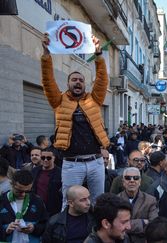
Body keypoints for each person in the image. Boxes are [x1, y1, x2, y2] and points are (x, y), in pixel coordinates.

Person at [41, 34, 109, 206]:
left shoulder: (94, 99)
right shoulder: (58, 100)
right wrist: (46, 55)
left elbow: (102, 81)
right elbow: (48, 81)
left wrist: (99, 56)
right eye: (74, 80)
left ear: (84, 84)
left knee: (97, 202)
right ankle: (67, 232)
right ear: (68, 83)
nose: (78, 82)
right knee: (69, 202)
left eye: (81, 80)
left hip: (96, 162)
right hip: (72, 164)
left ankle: (95, 231)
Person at [0, 170, 48, 242]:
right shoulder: (2, 201)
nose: (23, 194)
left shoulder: (37, 201)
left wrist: (34, 228)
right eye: (19, 191)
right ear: (11, 184)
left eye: (27, 191)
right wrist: (6, 231)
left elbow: (45, 225)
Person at [118, 167, 158, 242]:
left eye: (136, 178)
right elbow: (114, 226)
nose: (132, 181)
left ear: (140, 181)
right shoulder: (116, 200)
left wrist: (125, 225)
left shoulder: (150, 200)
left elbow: (153, 226)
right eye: (128, 178)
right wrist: (142, 222)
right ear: (123, 182)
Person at [31, 147, 62, 216]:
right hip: (36, 208)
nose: (45, 160)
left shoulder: (61, 173)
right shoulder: (34, 171)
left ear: (54, 158)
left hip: (53, 210)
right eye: (43, 158)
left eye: (48, 158)